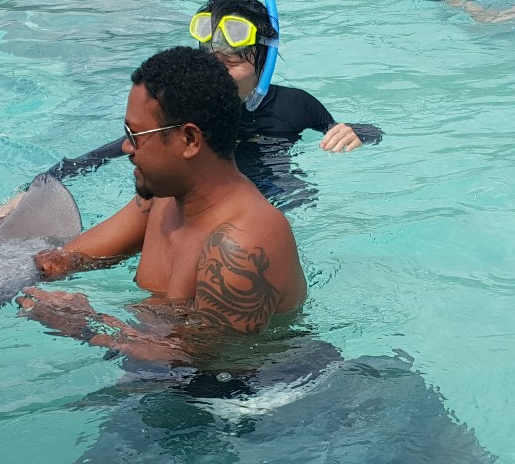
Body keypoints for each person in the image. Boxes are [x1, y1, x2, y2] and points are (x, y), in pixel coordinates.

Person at [18, 47, 306, 363]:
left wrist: (85, 324)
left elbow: (198, 365)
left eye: (135, 134)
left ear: (190, 140)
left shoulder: (240, 245)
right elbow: (67, 259)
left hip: (255, 397)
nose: (126, 147)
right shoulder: (163, 199)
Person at [0, 0, 380, 216]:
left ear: (262, 65)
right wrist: (33, 191)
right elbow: (104, 154)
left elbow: (368, 133)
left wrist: (356, 133)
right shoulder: (186, 108)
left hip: (275, 196)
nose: (219, 75)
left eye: (232, 64)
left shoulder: (295, 106)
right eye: (210, 63)